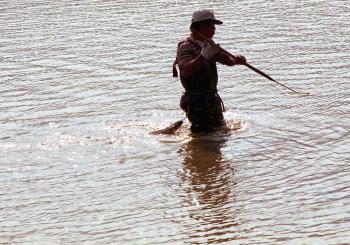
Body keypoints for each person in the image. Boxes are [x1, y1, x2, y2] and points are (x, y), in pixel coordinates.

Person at [173, 10, 246, 133]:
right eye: (211, 25)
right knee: (203, 137)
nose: (214, 29)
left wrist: (237, 60)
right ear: (201, 26)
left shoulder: (208, 44)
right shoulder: (185, 47)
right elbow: (185, 70)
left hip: (212, 99)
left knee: (219, 136)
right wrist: (203, 56)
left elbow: (227, 60)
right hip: (196, 102)